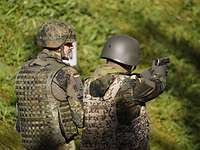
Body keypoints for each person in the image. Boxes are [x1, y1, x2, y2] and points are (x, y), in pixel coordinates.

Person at [80, 35, 169, 150]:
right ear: (131, 60)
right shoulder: (130, 87)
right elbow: (156, 86)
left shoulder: (86, 83)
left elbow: (131, 80)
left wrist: (149, 71)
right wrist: (159, 73)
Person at [15, 21, 83, 150]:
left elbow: (19, 116)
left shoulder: (23, 70)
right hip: (60, 144)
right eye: (69, 44)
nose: (72, 47)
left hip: (29, 144)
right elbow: (80, 118)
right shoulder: (67, 72)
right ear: (60, 46)